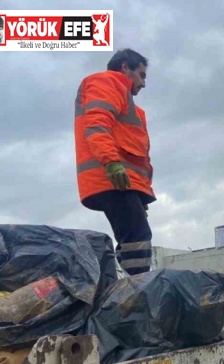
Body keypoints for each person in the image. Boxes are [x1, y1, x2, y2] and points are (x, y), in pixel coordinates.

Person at [74, 48, 154, 275]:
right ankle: (138, 291)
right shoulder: (107, 83)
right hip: (111, 178)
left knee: (133, 236)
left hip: (122, 181)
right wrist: (111, 163)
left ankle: (130, 287)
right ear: (125, 67)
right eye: (141, 75)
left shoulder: (129, 104)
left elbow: (136, 152)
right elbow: (97, 125)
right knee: (137, 236)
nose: (143, 83)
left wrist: (140, 194)